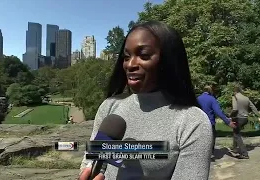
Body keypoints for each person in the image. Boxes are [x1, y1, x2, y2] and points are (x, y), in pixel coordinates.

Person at [79, 21, 213, 180]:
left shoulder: (192, 122)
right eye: (126, 56)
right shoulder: (110, 107)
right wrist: (89, 172)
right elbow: (92, 162)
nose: (130, 64)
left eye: (143, 55)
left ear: (168, 60)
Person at [197, 85, 236, 157]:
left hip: (199, 122)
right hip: (209, 122)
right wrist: (228, 122)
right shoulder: (212, 99)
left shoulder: (198, 98)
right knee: (211, 138)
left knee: (201, 139)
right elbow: (218, 112)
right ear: (210, 91)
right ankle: (210, 154)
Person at [229, 85, 260, 159]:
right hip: (245, 118)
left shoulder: (234, 97)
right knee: (236, 131)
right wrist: (259, 116)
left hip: (238, 118)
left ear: (235, 91)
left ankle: (244, 153)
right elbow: (253, 108)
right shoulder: (246, 98)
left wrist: (230, 115)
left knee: (237, 135)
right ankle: (235, 148)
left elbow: (235, 109)